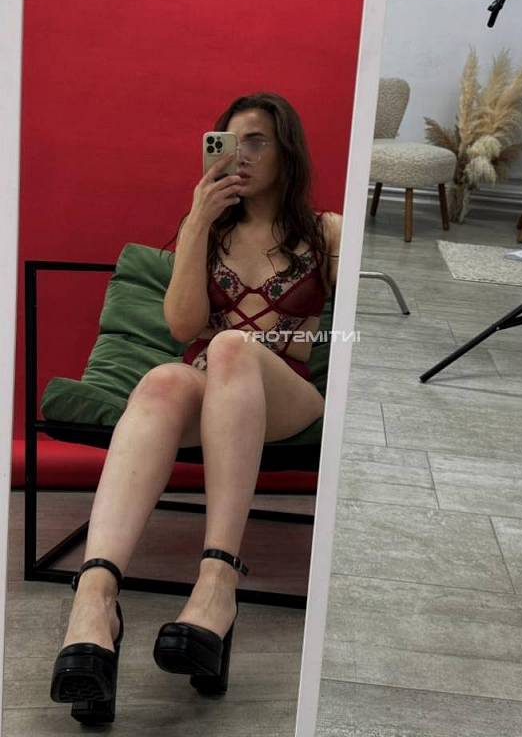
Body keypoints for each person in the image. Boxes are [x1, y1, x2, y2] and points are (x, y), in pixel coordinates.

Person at [49, 91, 342, 724]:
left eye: (258, 141)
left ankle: (217, 581)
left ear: (287, 151)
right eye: (231, 143)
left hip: (288, 394)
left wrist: (308, 336)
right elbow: (183, 326)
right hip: (215, 384)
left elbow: (362, 327)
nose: (243, 155)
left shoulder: (326, 231)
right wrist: (196, 223)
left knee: (231, 346)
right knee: (162, 379)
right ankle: (95, 600)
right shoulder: (208, 230)